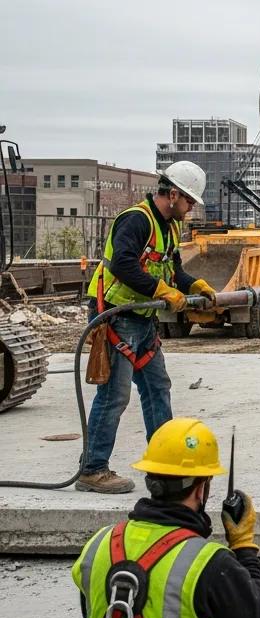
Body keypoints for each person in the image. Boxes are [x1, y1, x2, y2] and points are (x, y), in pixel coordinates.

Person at [71, 418, 260, 618]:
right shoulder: (207, 563)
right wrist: (243, 545)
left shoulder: (100, 543)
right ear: (202, 489)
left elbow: (94, 614)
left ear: (151, 479)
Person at [77, 162, 215, 494]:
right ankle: (92, 470)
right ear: (172, 194)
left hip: (142, 318)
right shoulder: (137, 220)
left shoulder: (171, 226)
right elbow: (124, 264)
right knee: (114, 396)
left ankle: (164, 463)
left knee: (157, 388)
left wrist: (193, 285)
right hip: (115, 316)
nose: (192, 207)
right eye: (189, 201)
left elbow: (173, 270)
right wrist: (161, 291)